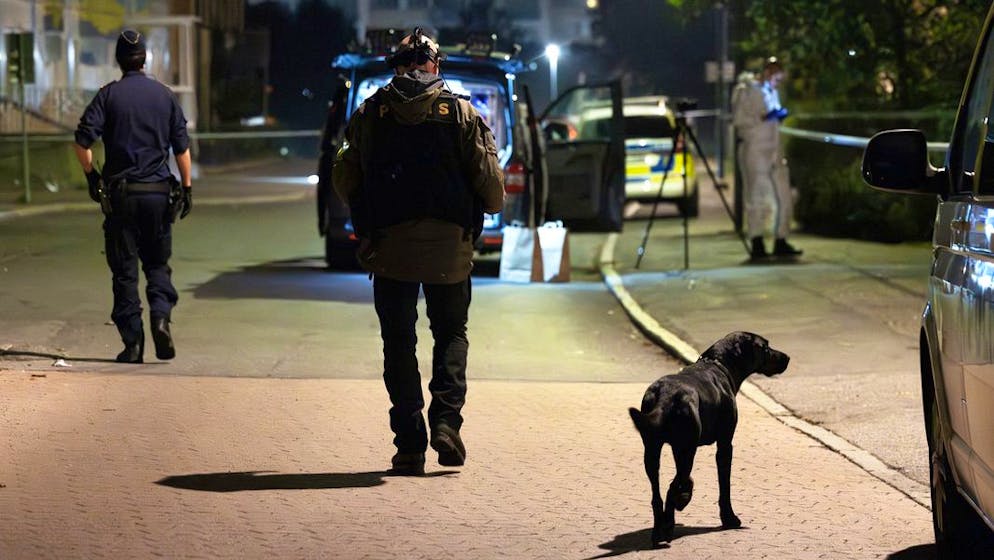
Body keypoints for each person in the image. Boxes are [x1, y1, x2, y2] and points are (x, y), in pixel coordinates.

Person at [332, 28, 504, 475]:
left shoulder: (370, 113)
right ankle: (446, 423)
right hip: (451, 249)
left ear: (397, 66)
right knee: (450, 334)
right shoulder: (462, 114)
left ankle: (409, 442)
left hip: (389, 249)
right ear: (435, 65)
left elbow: (344, 179)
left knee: (398, 342)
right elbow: (492, 191)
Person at [73, 29, 193, 363]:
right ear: (145, 58)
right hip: (158, 194)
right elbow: (182, 149)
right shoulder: (164, 96)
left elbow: (82, 142)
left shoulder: (108, 96)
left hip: (122, 196)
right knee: (157, 264)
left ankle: (133, 343)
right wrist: (186, 188)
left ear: (119, 60)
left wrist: (91, 177)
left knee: (125, 271)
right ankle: (160, 317)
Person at [732, 57, 802, 261]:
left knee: (784, 195)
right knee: (757, 196)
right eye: (773, 72)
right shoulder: (746, 90)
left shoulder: (772, 91)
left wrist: (774, 116)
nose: (776, 77)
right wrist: (763, 117)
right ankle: (757, 242)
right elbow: (740, 120)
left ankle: (781, 239)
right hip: (755, 148)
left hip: (774, 148)